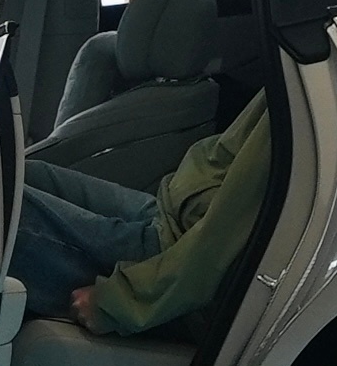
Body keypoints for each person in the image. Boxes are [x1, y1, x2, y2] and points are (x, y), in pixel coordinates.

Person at [14, 92, 277, 335]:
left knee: (2, 208)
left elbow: (224, 238)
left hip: (180, 254)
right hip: (172, 215)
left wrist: (118, 301)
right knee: (24, 173)